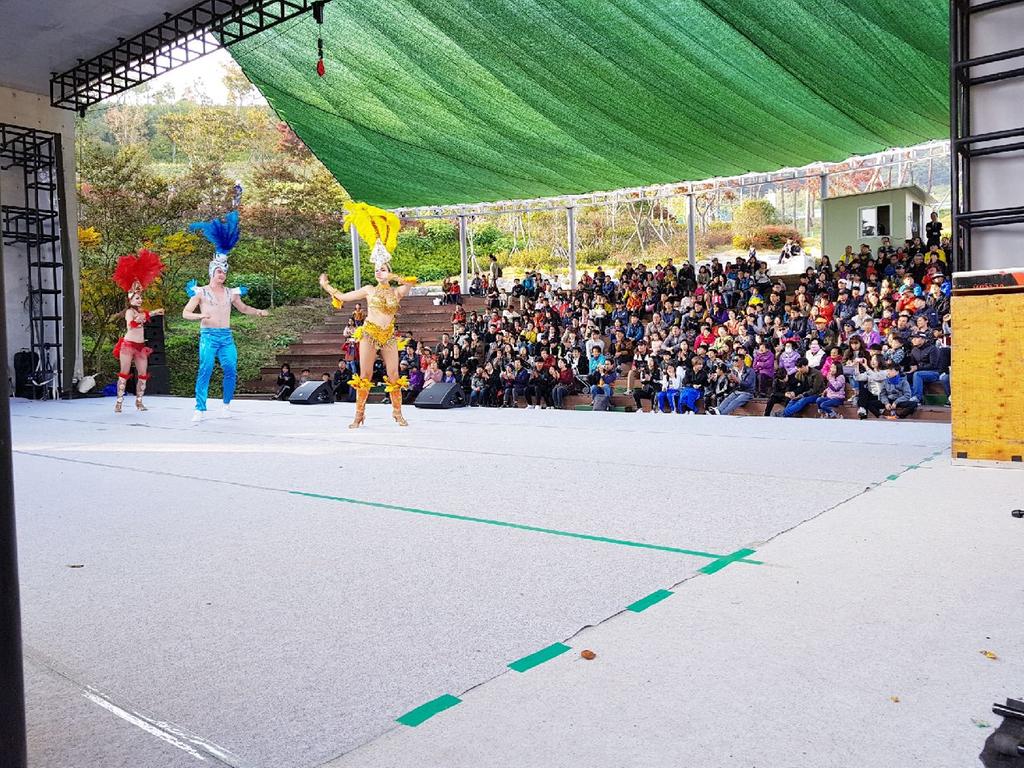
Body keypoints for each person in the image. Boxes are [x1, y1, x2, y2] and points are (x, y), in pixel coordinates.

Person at [318, 203, 417, 428]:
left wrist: (391, 275)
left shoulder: (398, 291)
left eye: (382, 268)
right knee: (365, 373)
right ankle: (359, 415)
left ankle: (397, 413)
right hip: (370, 333)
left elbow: (411, 281)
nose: (378, 272)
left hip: (389, 335)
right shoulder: (368, 290)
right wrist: (326, 286)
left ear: (389, 270)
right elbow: (342, 297)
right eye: (376, 269)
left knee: (394, 374)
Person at [183, 211, 269, 424]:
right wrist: (200, 315)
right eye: (218, 272)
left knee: (230, 369)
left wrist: (258, 312)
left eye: (224, 272)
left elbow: (243, 308)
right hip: (208, 336)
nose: (222, 275)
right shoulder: (200, 292)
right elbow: (185, 313)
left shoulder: (232, 292)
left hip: (226, 336)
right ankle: (200, 408)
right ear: (212, 272)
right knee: (206, 369)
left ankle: (226, 405)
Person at [110, 248, 166, 413]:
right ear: (130, 299)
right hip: (128, 345)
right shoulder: (130, 312)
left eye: (141, 297)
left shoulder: (141, 312)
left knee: (142, 374)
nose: (140, 299)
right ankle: (119, 401)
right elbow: (131, 325)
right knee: (124, 372)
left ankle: (139, 401)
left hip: (141, 346)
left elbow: (141, 320)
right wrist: (152, 313)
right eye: (137, 297)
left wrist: (148, 314)